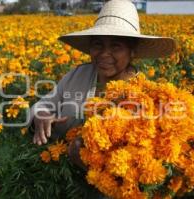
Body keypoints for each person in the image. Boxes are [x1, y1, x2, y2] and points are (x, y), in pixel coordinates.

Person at [30, 0, 175, 159]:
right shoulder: (77, 75)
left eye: (116, 46)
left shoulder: (146, 96)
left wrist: (92, 160)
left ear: (132, 51)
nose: (104, 54)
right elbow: (43, 104)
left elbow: (139, 158)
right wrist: (41, 113)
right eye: (98, 45)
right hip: (55, 171)